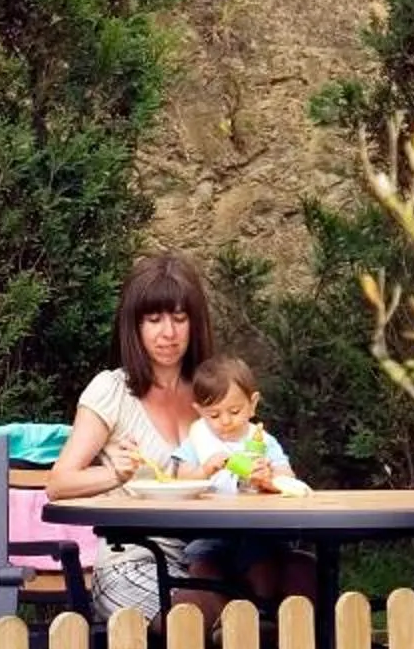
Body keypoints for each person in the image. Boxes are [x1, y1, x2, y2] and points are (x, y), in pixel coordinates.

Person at [46, 259, 312, 629]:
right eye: (154, 320)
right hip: (137, 559)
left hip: (221, 553)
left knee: (304, 576)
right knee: (199, 610)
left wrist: (262, 480)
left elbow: (254, 464)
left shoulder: (213, 392)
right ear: (134, 325)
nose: (168, 333)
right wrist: (113, 474)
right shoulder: (112, 390)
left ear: (195, 322)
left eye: (179, 317)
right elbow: (59, 484)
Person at [181, 355, 309, 493]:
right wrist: (205, 470)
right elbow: (181, 480)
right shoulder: (198, 439)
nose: (226, 421)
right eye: (214, 415)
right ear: (200, 411)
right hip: (209, 513)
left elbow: (288, 477)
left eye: (235, 411)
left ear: (252, 404)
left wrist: (269, 481)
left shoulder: (265, 441)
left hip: (253, 513)